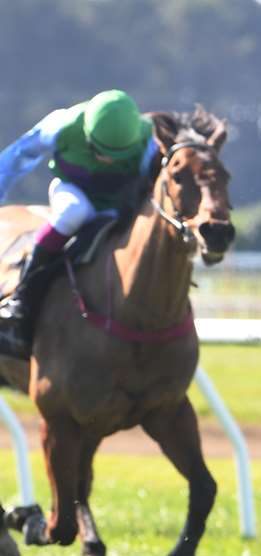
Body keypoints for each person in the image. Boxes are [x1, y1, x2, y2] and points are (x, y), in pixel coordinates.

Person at [0, 89, 157, 356]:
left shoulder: (148, 142)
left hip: (116, 203)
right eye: (99, 150)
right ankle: (21, 299)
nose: (108, 160)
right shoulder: (62, 124)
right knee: (73, 213)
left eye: (117, 155)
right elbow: (19, 154)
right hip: (73, 190)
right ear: (86, 131)